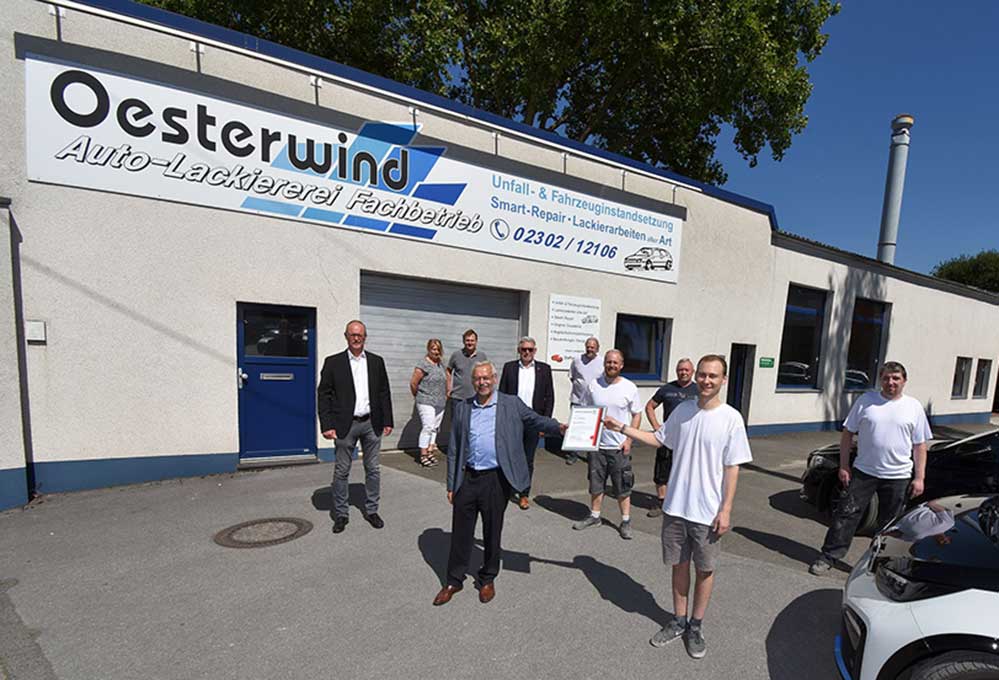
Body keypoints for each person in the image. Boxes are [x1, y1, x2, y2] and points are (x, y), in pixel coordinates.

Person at [604, 354, 752, 660]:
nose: (706, 380)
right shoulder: (683, 410)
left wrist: (726, 510)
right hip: (675, 508)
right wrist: (621, 427)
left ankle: (696, 626)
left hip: (707, 513)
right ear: (696, 377)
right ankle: (678, 620)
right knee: (679, 566)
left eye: (713, 376)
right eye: (703, 375)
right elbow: (659, 439)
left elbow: (732, 468)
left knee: (705, 570)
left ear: (723, 380)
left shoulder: (731, 419)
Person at [433, 362, 565, 606]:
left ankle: (488, 578)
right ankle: (454, 580)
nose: (482, 382)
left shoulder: (511, 404)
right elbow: (453, 449)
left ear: (494, 379)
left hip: (496, 479)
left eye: (486, 378)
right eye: (477, 378)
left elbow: (536, 420)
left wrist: (560, 428)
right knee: (461, 532)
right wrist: (451, 484)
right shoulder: (463, 408)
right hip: (467, 478)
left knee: (492, 531)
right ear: (473, 381)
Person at [809, 361, 931, 575]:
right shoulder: (866, 401)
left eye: (896, 378)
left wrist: (919, 478)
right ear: (880, 380)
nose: (891, 382)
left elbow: (920, 445)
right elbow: (847, 434)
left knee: (890, 525)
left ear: (904, 381)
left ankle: (880, 562)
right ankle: (829, 556)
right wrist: (844, 466)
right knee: (846, 515)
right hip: (864, 473)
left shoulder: (914, 407)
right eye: (886, 378)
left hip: (898, 476)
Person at [317, 320, 394, 534]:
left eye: (360, 334)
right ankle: (341, 514)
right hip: (345, 424)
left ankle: (372, 510)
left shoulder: (376, 362)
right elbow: (323, 395)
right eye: (352, 334)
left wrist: (388, 420)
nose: (356, 338)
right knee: (342, 471)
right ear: (346, 336)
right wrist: (326, 425)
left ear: (365, 337)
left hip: (371, 423)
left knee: (373, 469)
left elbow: (384, 392)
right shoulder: (333, 362)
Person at [572, 349, 642, 539]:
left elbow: (637, 415)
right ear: (604, 364)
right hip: (596, 446)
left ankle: (625, 521)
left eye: (615, 362)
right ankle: (595, 517)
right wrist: (581, 437)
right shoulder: (594, 385)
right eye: (608, 362)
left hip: (619, 447)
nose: (611, 365)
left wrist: (629, 440)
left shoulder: (629, 387)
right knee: (596, 484)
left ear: (621, 365)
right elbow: (584, 411)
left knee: (622, 486)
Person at [499, 336, 555, 509]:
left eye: (530, 349)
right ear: (519, 350)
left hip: (533, 420)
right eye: (524, 349)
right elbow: (502, 394)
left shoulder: (544, 369)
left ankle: (524, 493)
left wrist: (544, 422)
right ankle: (509, 489)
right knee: (510, 456)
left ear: (535, 351)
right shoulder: (509, 368)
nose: (527, 352)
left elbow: (549, 397)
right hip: (513, 420)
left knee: (528, 459)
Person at [644, 358, 698, 517]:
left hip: (689, 439)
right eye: (681, 370)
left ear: (692, 372)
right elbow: (649, 406)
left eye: (687, 370)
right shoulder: (666, 389)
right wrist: (656, 427)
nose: (683, 372)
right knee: (662, 471)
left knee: (687, 472)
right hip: (668, 438)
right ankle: (662, 502)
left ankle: (683, 503)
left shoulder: (699, 390)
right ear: (676, 371)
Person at [410, 338, 448, 468]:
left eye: (438, 349)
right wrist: (418, 395)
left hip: (440, 401)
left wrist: (447, 393)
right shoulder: (423, 364)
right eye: (433, 349)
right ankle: (423, 454)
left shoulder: (441, 364)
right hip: (426, 400)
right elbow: (413, 383)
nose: (436, 352)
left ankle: (430, 450)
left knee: (435, 428)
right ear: (428, 349)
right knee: (428, 427)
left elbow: (447, 379)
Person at [566, 337, 604, 464]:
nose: (590, 349)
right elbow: (572, 377)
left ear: (597, 349)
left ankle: (592, 456)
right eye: (588, 346)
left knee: (592, 429)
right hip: (577, 399)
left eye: (592, 347)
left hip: (594, 401)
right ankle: (573, 454)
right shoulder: (577, 360)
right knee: (575, 428)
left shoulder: (602, 362)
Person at [446, 329, 489, 405]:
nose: (470, 343)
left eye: (472, 340)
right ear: (463, 341)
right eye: (467, 340)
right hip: (457, 397)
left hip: (476, 397)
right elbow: (448, 371)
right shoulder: (456, 355)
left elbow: (487, 374)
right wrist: (449, 388)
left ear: (476, 341)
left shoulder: (482, 357)